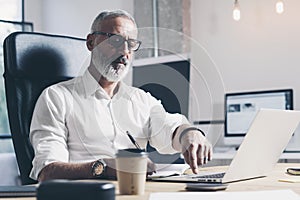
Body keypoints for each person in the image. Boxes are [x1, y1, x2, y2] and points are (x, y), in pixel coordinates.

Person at [29, 9, 213, 181]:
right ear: (91, 42)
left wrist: (189, 133)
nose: (125, 51)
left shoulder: (141, 99)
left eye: (131, 44)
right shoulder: (56, 97)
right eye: (116, 40)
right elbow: (46, 171)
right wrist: (105, 168)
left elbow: (170, 128)